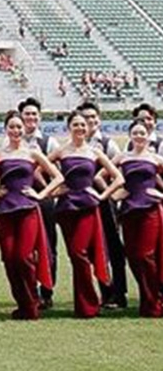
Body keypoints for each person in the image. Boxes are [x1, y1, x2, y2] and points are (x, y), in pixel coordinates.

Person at [48, 109, 125, 318]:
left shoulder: (95, 152)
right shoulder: (61, 151)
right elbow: (38, 170)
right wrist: (53, 190)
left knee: (80, 253)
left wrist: (102, 196)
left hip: (89, 207)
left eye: (83, 124)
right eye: (76, 124)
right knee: (75, 256)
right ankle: (85, 304)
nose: (80, 128)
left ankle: (89, 304)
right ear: (69, 127)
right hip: (66, 209)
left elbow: (118, 178)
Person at [0, 111, 61, 320]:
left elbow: (58, 177)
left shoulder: (33, 152)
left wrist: (41, 195)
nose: (16, 130)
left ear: (24, 129)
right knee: (9, 259)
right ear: (5, 129)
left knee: (24, 257)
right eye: (12, 126)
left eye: (19, 127)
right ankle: (22, 304)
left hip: (28, 209)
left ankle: (32, 303)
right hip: (5, 210)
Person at [81, 101, 130, 309]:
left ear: (99, 119)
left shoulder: (108, 144)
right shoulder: (76, 144)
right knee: (93, 249)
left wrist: (109, 195)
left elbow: (121, 174)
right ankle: (105, 292)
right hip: (84, 203)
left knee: (113, 247)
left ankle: (119, 293)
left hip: (105, 202)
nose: (90, 121)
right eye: (86, 117)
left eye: (93, 117)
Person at [113, 119, 163, 317]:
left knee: (146, 255)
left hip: (150, 210)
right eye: (135, 133)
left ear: (148, 136)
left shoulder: (155, 158)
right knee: (133, 256)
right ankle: (147, 297)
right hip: (128, 211)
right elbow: (99, 175)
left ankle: (154, 302)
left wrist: (161, 194)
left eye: (142, 133)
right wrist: (113, 193)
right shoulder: (122, 157)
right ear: (130, 136)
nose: (139, 136)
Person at [17, 97, 59, 309]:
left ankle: (47, 292)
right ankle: (30, 290)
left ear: (40, 117)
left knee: (48, 245)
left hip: (44, 201)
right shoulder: (12, 141)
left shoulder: (49, 142)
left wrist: (46, 193)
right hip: (20, 201)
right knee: (26, 248)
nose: (31, 118)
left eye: (34, 114)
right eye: (27, 114)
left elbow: (61, 174)